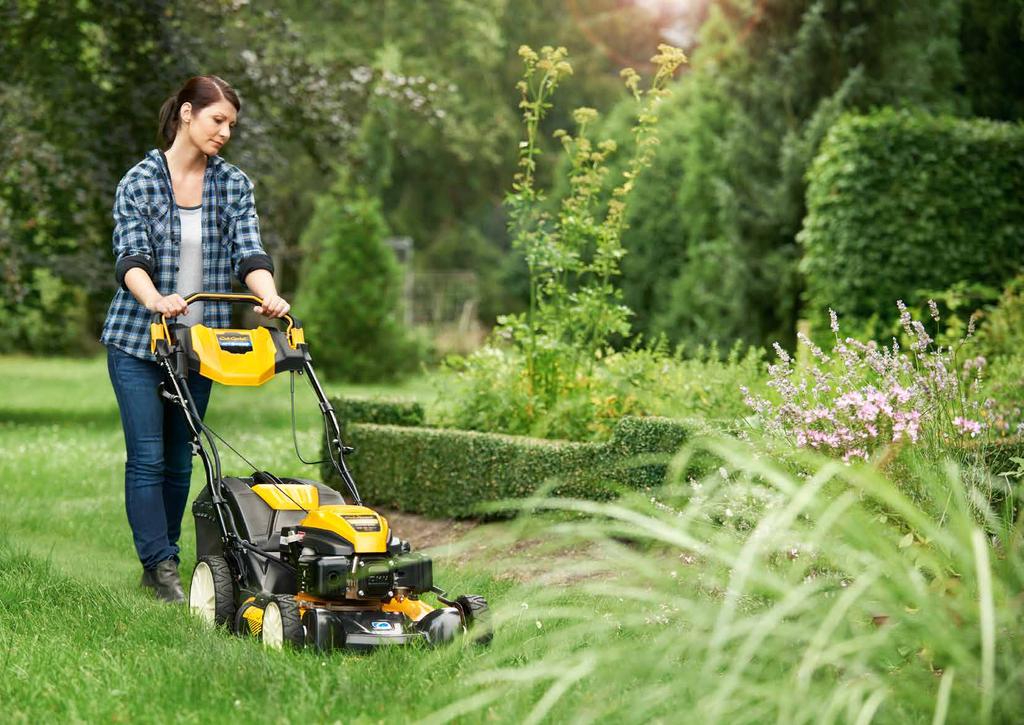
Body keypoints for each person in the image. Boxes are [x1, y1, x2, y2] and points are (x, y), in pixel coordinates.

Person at [100, 75, 290, 603]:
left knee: (181, 456)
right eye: (217, 120)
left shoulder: (233, 184)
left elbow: (249, 253)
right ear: (187, 113)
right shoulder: (139, 181)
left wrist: (268, 295)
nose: (225, 132)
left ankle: (166, 559)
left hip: (198, 345)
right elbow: (130, 259)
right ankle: (159, 566)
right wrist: (156, 299)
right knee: (147, 456)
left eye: (231, 124)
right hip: (138, 339)